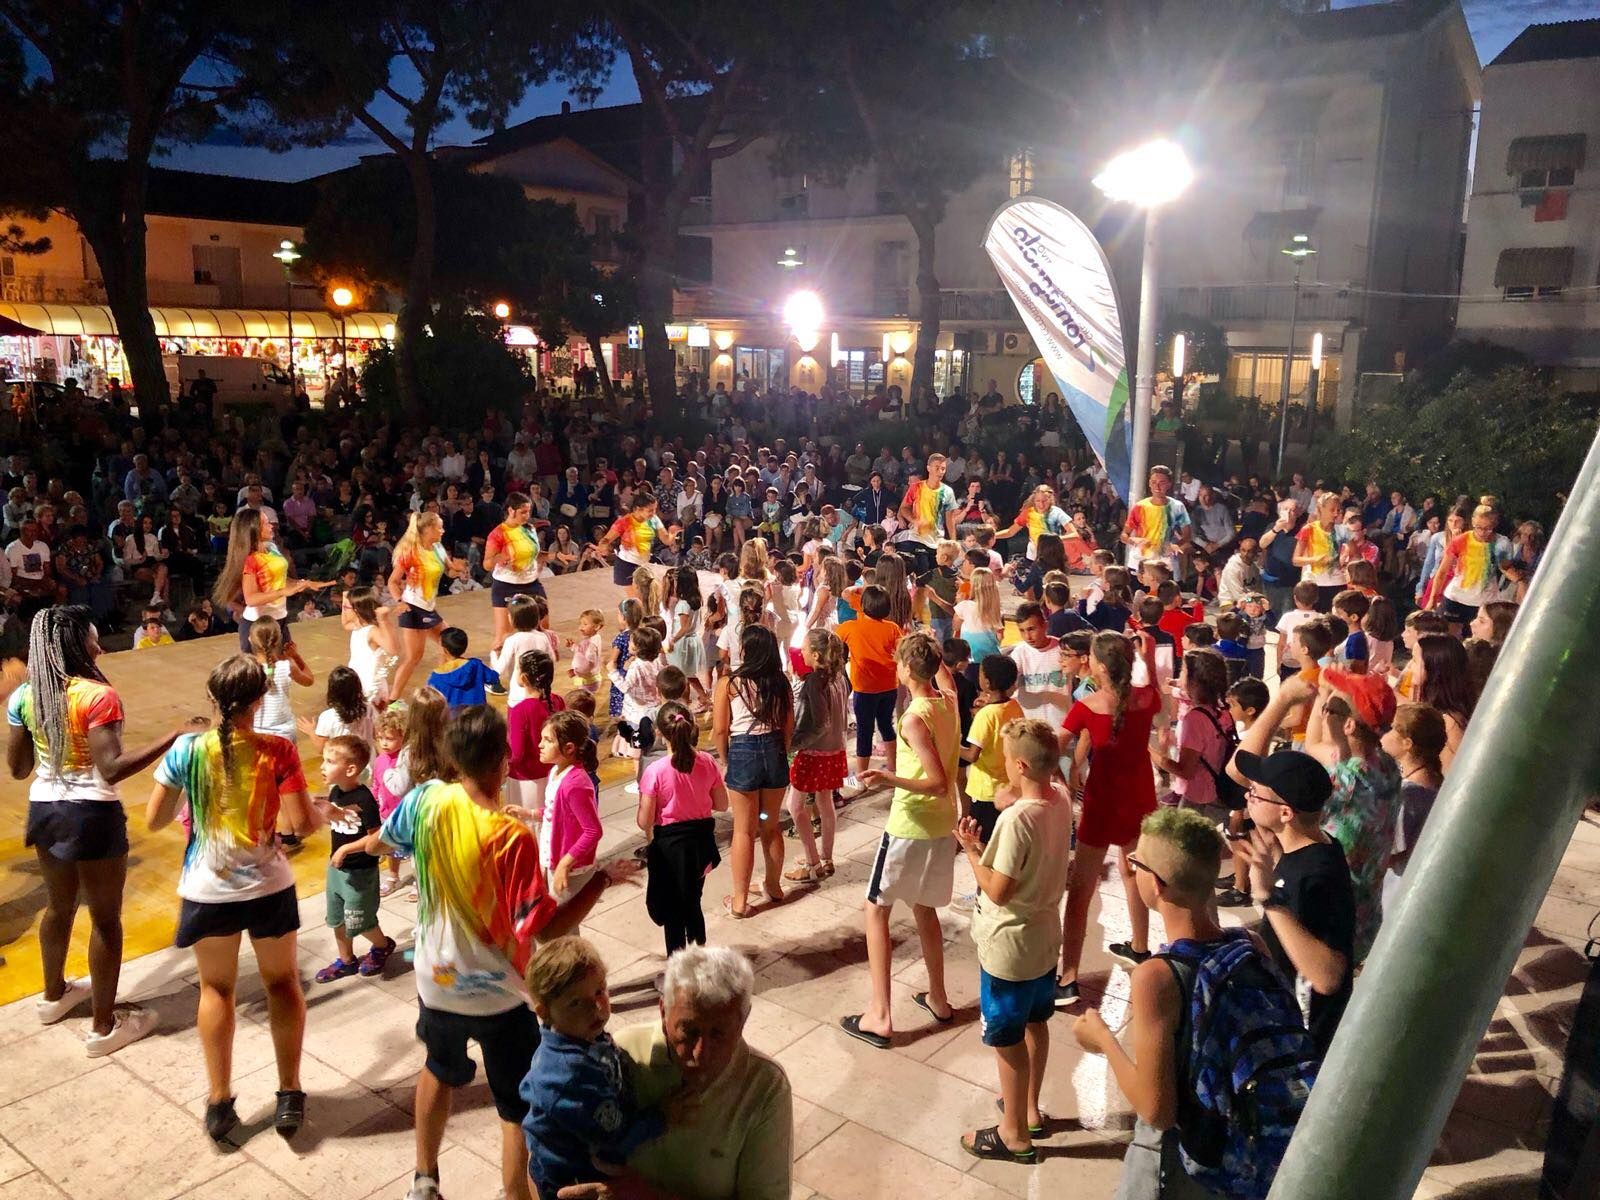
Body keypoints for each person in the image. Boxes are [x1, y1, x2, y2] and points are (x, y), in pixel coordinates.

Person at [333, 705, 614, 1200]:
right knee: (516, 1106)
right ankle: (514, 1193)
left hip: (437, 982)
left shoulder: (425, 800)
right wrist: (601, 881)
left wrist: (357, 847)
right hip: (501, 997)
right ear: (502, 760)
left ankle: (424, 1178)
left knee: (438, 1068)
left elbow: (382, 842)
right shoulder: (509, 837)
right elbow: (547, 930)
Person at [1074, 808, 1316, 1200]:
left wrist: (1102, 1038)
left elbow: (1157, 1111)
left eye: (1136, 862)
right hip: (1244, 1143)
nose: (1131, 868)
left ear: (1157, 884)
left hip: (1186, 1165)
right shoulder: (1250, 944)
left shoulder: (1156, 977)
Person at [6, 606, 199, 1056]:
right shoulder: (97, 696)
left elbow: (18, 769)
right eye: (93, 638)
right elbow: (110, 768)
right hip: (91, 813)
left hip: (45, 809)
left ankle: (53, 997)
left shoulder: (25, 697)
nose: (99, 645)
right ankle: (104, 1026)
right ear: (78, 643)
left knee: (58, 908)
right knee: (105, 920)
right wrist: (174, 735)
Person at [146, 655, 317, 1142]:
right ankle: (289, 1094)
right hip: (269, 887)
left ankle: (219, 1102)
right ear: (260, 700)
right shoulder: (278, 750)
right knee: (282, 983)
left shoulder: (186, 750)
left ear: (212, 696)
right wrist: (320, 813)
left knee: (216, 990)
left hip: (207, 890)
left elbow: (155, 820)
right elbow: (301, 824)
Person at [573, 946, 792, 1200]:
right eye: (689, 1032)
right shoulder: (621, 1056)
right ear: (663, 1012)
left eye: (718, 1034)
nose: (701, 1053)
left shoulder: (765, 1087)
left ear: (742, 1022)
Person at [954, 717, 1075, 1165]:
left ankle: (1014, 1135)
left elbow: (998, 889)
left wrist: (971, 849)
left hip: (1010, 946)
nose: (1003, 764)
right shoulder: (1060, 798)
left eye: (1006, 759)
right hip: (1045, 937)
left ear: (1021, 765)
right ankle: (1029, 1109)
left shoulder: (1016, 820)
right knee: (1036, 1022)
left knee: (1007, 1038)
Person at [841, 631, 960, 1048]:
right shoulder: (948, 702)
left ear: (908, 669)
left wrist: (889, 778)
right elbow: (945, 677)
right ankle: (939, 998)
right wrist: (927, 645)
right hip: (942, 826)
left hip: (911, 824)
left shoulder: (914, 719)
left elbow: (937, 782)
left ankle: (880, 1014)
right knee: (924, 908)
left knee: (876, 910)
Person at [1228, 719, 1355, 1058]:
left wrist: (1268, 898)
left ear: (1285, 813)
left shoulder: (1318, 873)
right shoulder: (1315, 846)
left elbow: (1328, 977)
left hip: (1303, 1040)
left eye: (1255, 794)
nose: (1247, 796)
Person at [1056, 631, 1162, 1003]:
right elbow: (1153, 689)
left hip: (1103, 801)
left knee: (1081, 891)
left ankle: (1069, 975)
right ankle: (1140, 946)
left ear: (1099, 666)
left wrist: (1061, 777)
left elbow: (1054, 747)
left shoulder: (1086, 706)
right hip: (1140, 798)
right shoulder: (1146, 699)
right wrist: (1148, 659)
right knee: (1133, 873)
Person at [520, 937, 667, 1200]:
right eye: (576, 1002)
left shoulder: (581, 1033)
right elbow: (614, 1139)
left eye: (600, 991)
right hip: (570, 1178)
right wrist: (663, 1117)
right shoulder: (570, 1076)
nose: (596, 1007)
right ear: (544, 1012)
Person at [712, 625, 794, 917]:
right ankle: (774, 886)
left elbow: (720, 729)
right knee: (769, 824)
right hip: (774, 751)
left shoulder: (729, 683)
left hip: (743, 752)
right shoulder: (781, 682)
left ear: (746, 650)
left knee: (744, 831)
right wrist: (780, 750)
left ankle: (739, 900)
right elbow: (788, 725)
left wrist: (726, 759)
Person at [638, 701, 727, 954]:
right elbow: (722, 804)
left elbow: (645, 821)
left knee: (672, 910)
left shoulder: (655, 771)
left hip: (670, 850)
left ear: (659, 732)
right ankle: (698, 955)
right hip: (700, 846)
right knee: (693, 901)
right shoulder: (707, 761)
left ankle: (677, 965)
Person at [311, 735, 395, 983]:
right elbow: (343, 824)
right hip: (337, 869)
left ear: (350, 769)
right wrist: (323, 813)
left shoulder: (364, 799)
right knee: (337, 918)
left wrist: (345, 850)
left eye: (329, 761)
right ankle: (346, 960)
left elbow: (376, 837)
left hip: (360, 873)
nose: (322, 766)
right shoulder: (335, 792)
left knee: (359, 919)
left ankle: (382, 946)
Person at [783, 628, 849, 883]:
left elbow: (819, 722)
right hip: (836, 749)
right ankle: (826, 857)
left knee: (795, 806)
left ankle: (812, 863)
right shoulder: (839, 677)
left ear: (815, 654)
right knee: (825, 801)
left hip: (814, 752)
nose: (801, 652)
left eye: (804, 648)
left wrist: (794, 743)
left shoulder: (815, 681)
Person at [388, 511, 467, 699]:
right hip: (413, 609)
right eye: (439, 527)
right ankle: (393, 699)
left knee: (448, 645)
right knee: (414, 658)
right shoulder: (411, 553)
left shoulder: (438, 547)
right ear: (428, 529)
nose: (443, 530)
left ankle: (441, 688)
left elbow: (449, 571)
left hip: (429, 608)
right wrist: (400, 601)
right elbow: (392, 582)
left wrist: (458, 569)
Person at [835, 585, 903, 784]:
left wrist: (862, 589)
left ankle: (861, 777)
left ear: (863, 605)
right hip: (889, 685)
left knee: (864, 731)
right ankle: (893, 767)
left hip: (864, 688)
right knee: (886, 725)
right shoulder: (892, 628)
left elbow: (846, 593)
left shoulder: (850, 627)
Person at [1425, 503, 1514, 635]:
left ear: (1495, 524)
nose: (1482, 532)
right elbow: (1442, 571)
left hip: (1484, 600)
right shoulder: (1461, 540)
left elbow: (1505, 568)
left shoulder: (1502, 543)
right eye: (1478, 527)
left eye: (1487, 528)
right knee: (1446, 635)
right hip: (1456, 596)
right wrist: (1432, 599)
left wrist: (1519, 578)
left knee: (1476, 638)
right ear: (1472, 522)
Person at [485, 491, 545, 653]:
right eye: (523, 512)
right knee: (503, 636)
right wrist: (498, 558)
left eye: (528, 512)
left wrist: (556, 555)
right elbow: (486, 564)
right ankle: (497, 667)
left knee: (542, 628)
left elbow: (535, 554)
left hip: (532, 583)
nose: (527, 516)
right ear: (511, 510)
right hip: (506, 585)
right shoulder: (497, 534)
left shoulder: (529, 529)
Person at [1120, 466, 1191, 576]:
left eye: (1162, 483)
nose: (1157, 486)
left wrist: (1175, 545)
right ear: (1149, 483)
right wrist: (1133, 540)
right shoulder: (1140, 506)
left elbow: (1187, 535)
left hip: (1163, 563)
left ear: (1169, 484)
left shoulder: (1177, 506)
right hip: (1139, 562)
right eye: (1153, 482)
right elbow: (1124, 535)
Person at [427, 626, 501, 711]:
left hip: (454, 718)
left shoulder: (436, 677)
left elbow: (432, 702)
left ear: (445, 650)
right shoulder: (476, 665)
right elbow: (494, 678)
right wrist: (494, 654)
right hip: (478, 716)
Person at [1292, 494, 1346, 611]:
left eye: (1338, 510)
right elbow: (1296, 560)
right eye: (1332, 510)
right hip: (1313, 584)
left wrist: (1346, 563)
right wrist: (1314, 559)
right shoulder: (1308, 529)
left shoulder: (1343, 530)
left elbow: (1355, 555)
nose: (1336, 514)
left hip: (1337, 582)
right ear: (1321, 509)